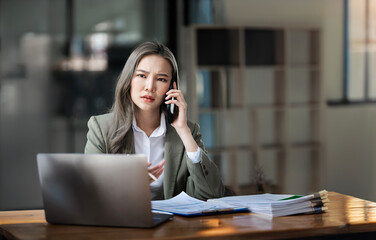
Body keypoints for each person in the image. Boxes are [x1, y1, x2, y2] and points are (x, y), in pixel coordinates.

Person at [85, 41, 225, 200]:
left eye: (161, 79)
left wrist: (184, 131)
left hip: (171, 224)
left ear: (172, 88)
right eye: (142, 75)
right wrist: (129, 182)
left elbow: (212, 194)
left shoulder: (188, 131)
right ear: (129, 79)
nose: (149, 87)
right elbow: (90, 191)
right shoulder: (101, 128)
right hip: (121, 222)